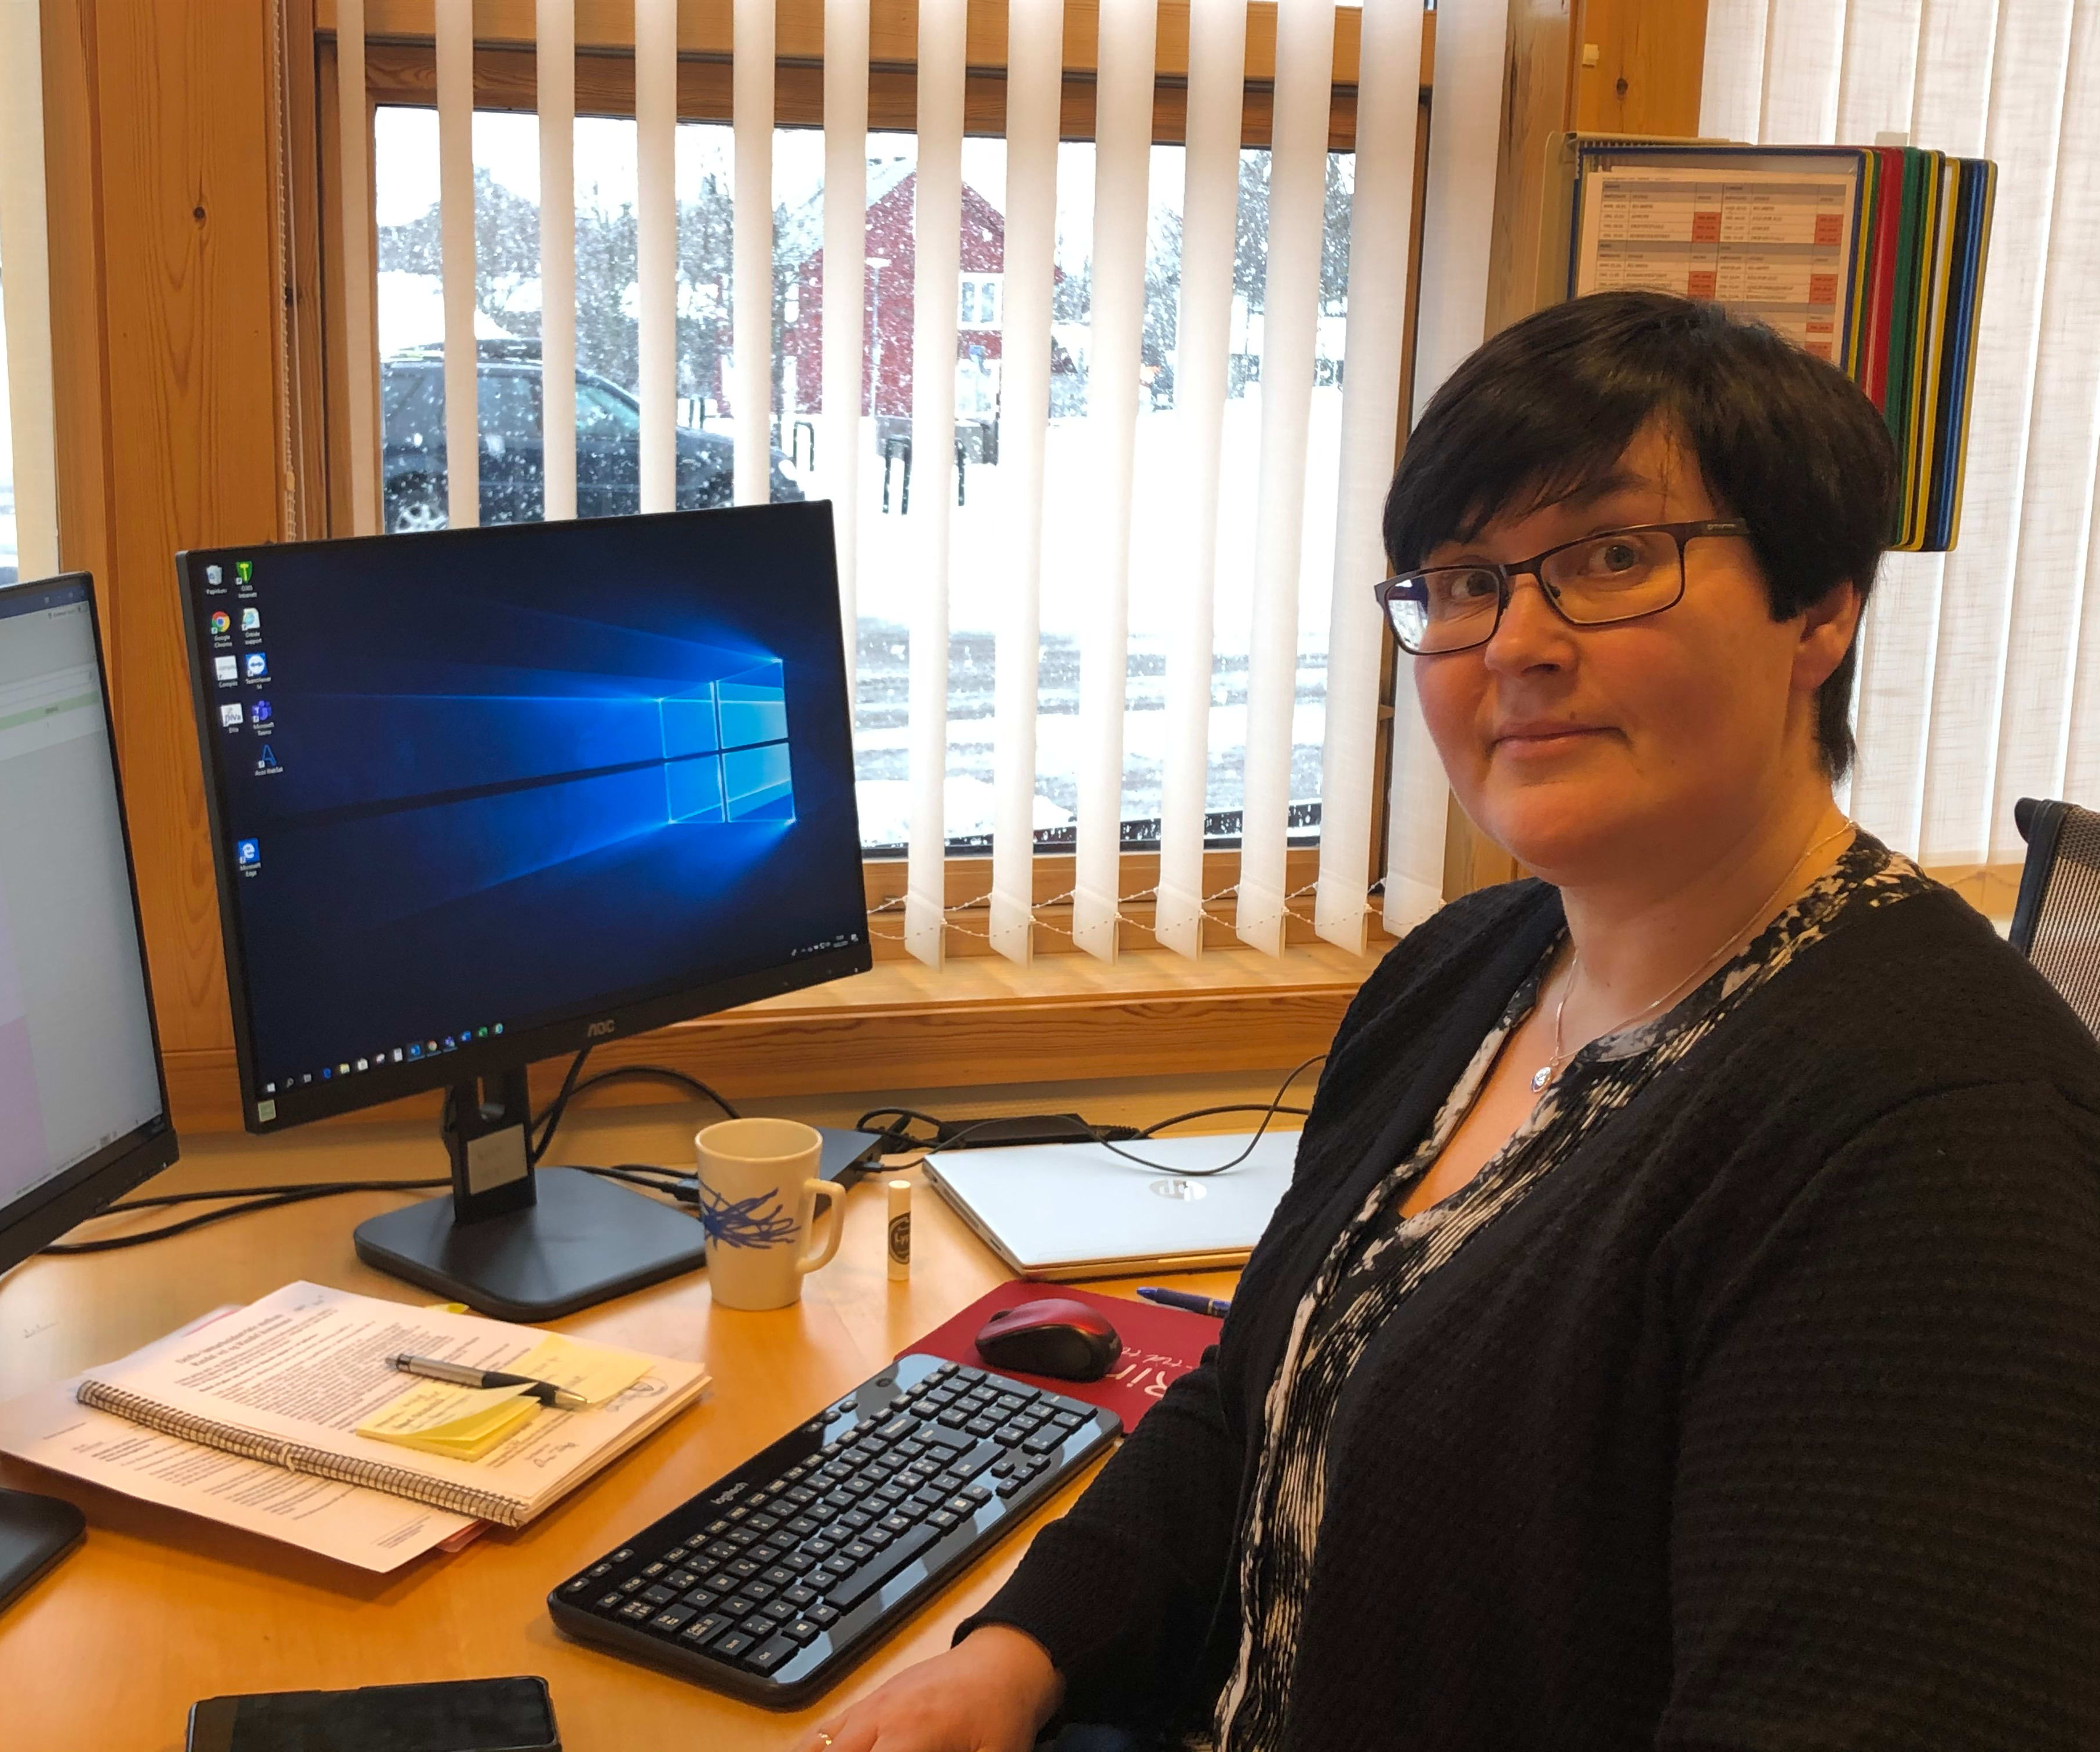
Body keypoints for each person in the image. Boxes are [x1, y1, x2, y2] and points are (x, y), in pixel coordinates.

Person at [791, 290, 2100, 1751]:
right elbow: (1254, 1391)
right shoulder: (1469, 970)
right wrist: (1017, 1655)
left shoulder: (1940, 1148)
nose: (1516, 643)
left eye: (1614, 558)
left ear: (1821, 612)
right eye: (1466, 581)